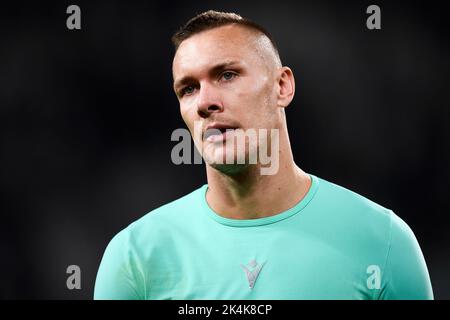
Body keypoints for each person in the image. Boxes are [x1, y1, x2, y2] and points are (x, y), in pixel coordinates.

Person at [94, 10, 433, 300]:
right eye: (188, 88)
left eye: (227, 75)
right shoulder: (136, 256)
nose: (204, 102)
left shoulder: (383, 241)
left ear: (282, 86)